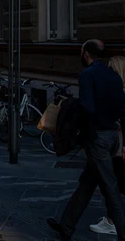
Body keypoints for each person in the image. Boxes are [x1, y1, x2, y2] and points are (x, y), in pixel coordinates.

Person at [48, 40, 125, 241]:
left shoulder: (87, 75)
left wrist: (75, 117)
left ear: (86, 54)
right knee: (87, 183)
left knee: (111, 189)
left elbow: (87, 108)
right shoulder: (114, 76)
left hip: (97, 138)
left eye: (81, 51)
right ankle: (66, 226)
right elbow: (122, 110)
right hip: (111, 137)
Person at [90, 55, 125, 235]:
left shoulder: (118, 91)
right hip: (115, 143)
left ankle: (113, 222)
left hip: (118, 146)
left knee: (114, 185)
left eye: (110, 68)